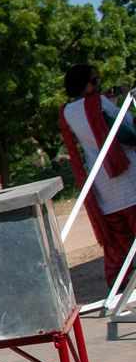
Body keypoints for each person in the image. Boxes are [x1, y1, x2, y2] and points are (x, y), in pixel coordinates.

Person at [59, 64, 136, 287]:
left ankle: (121, 282)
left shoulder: (66, 113)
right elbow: (127, 131)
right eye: (95, 81)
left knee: (117, 241)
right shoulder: (99, 103)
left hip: (102, 185)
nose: (98, 84)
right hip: (128, 176)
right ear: (84, 85)